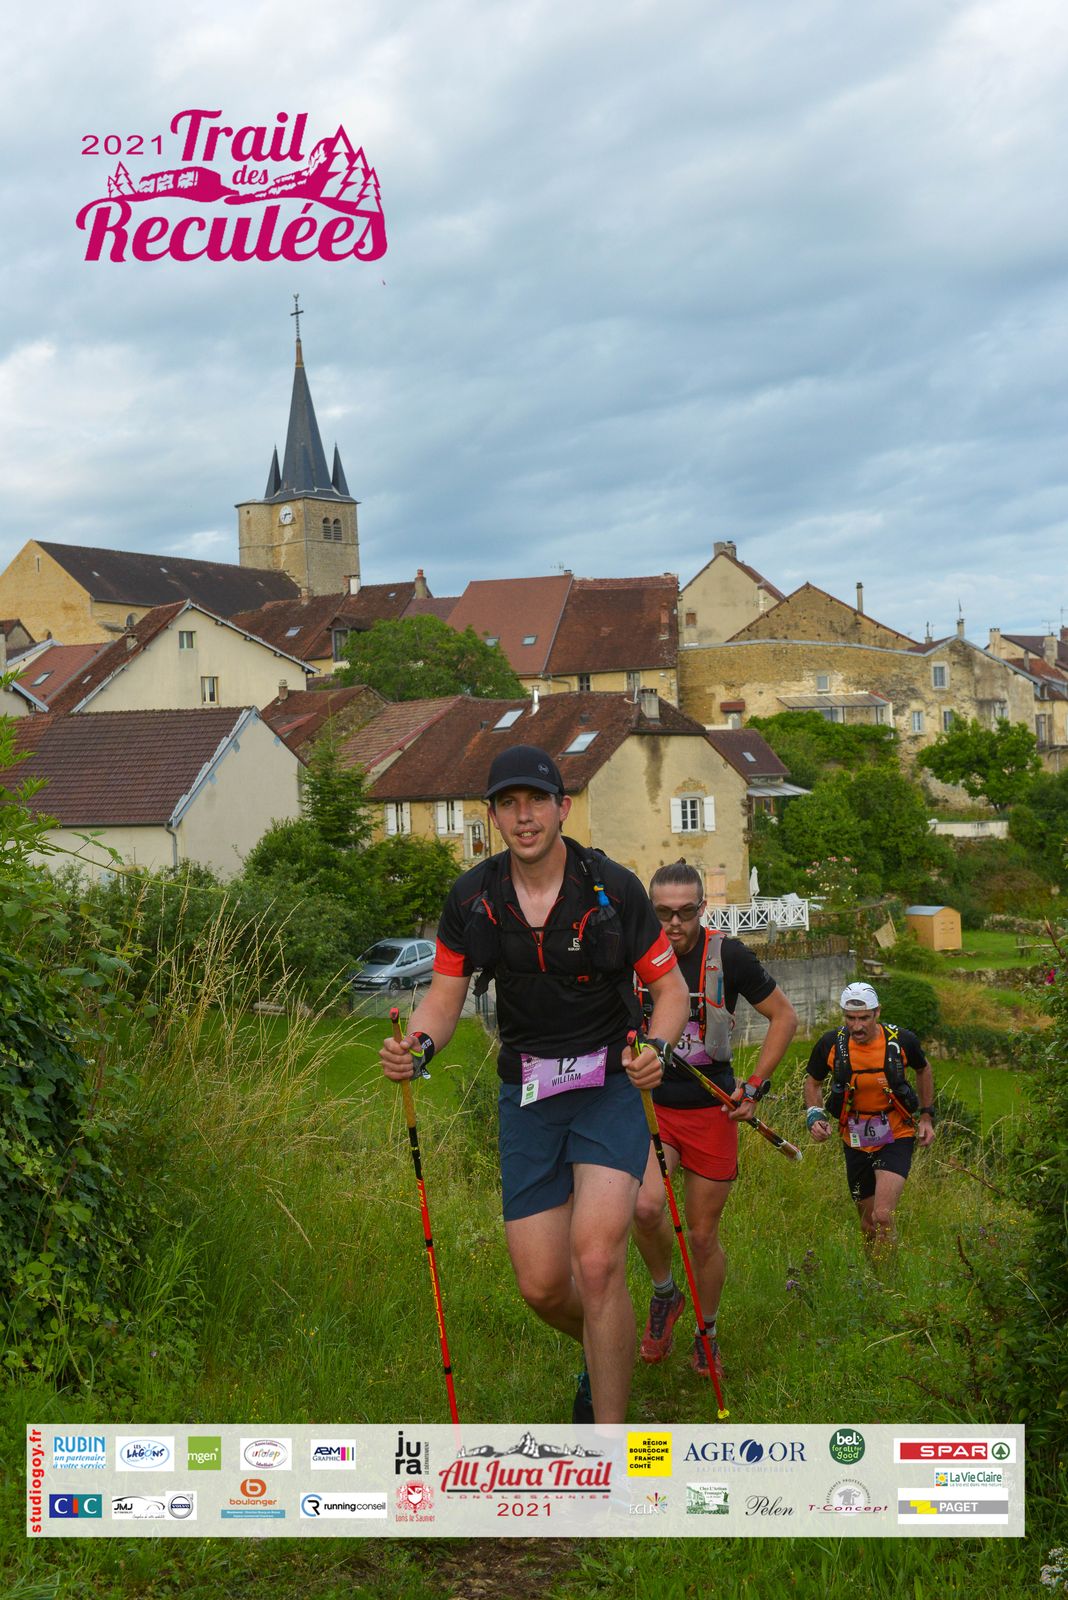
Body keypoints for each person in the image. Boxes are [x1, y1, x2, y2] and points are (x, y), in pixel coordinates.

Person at [379, 744, 688, 1424]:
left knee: (597, 1263)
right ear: (492, 815)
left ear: (562, 808)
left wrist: (656, 1049)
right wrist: (418, 1047)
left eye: (537, 801)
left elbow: (671, 990)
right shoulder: (472, 898)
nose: (525, 817)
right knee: (543, 1285)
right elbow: (443, 999)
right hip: (528, 1094)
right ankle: (604, 1349)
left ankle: (607, 1442)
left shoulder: (612, 889)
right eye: (509, 804)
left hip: (608, 1084)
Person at [632, 861, 798, 1379]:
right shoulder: (634, 956)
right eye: (663, 913)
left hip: (711, 1108)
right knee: (643, 1207)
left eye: (685, 912)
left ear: (702, 908)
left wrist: (755, 1086)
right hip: (653, 1108)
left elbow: (784, 1016)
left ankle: (707, 1332)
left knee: (702, 1237)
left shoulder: (728, 955)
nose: (674, 924)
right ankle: (665, 1294)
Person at [804, 981, 936, 1247]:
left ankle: (891, 1275)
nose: (857, 1026)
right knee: (868, 1225)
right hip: (854, 1138)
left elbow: (924, 1069)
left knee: (883, 1216)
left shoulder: (901, 1041)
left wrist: (926, 1117)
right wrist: (815, 1116)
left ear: (877, 1013)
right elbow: (813, 1082)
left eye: (864, 1018)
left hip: (896, 1133)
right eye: (850, 1018)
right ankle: (878, 1272)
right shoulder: (831, 1044)